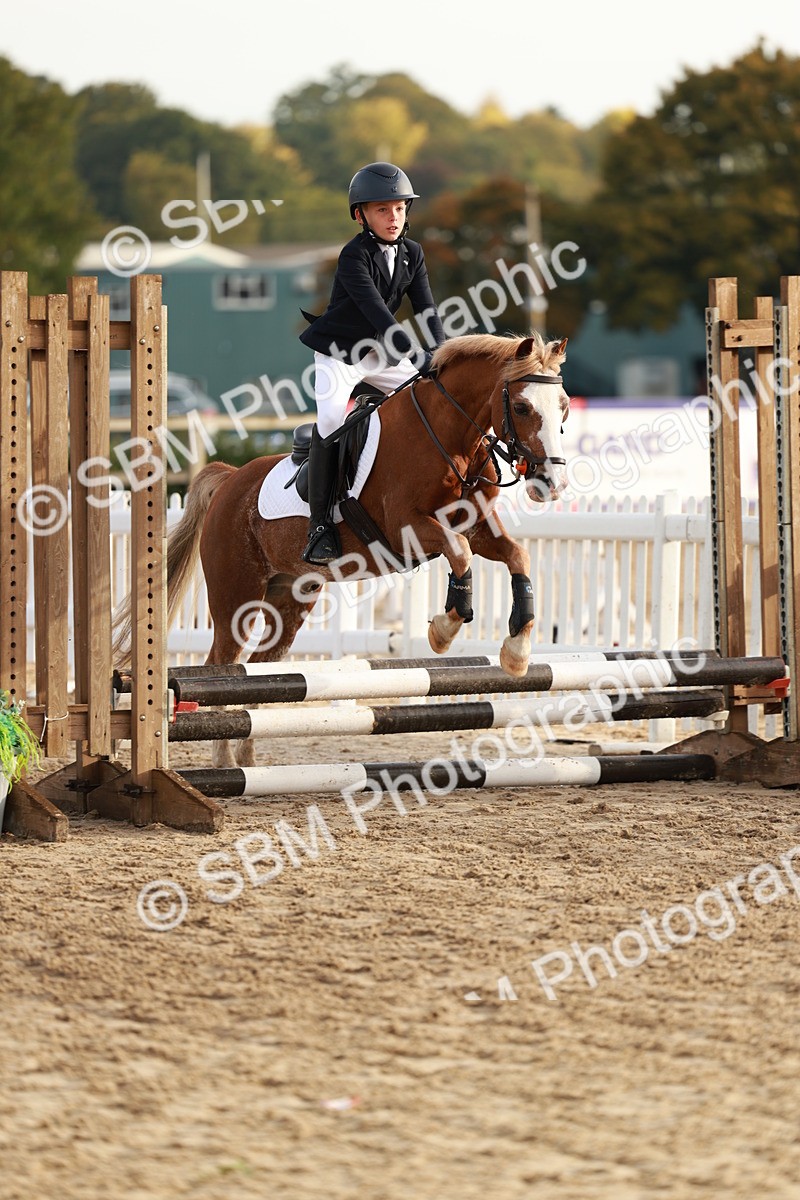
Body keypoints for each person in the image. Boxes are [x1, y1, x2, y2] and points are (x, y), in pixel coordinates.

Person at [298, 161, 446, 564]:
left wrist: (441, 354)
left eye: (399, 208)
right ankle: (319, 527)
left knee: (432, 395)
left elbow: (427, 309)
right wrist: (415, 353)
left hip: (380, 353)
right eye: (382, 209)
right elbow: (378, 312)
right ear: (360, 214)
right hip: (340, 353)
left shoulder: (413, 254)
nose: (393, 217)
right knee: (330, 422)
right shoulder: (353, 255)